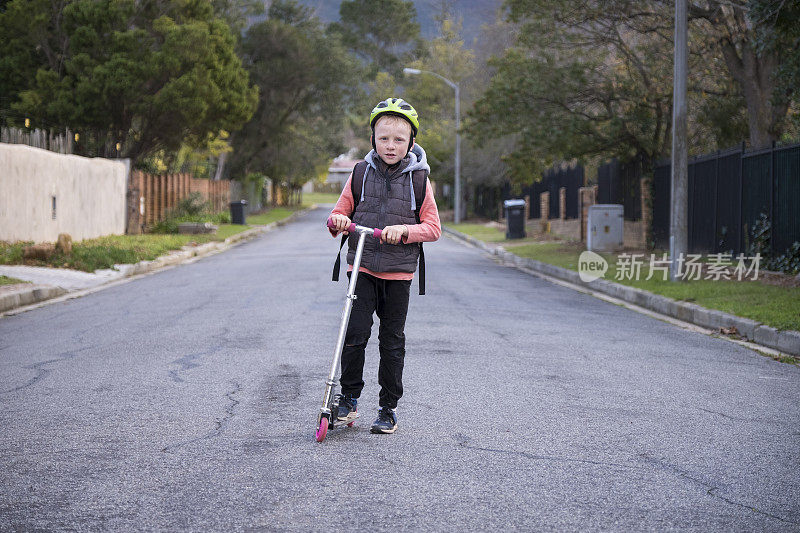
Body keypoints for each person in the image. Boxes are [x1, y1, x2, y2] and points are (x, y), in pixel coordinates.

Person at [328, 97, 441, 434]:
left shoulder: (419, 180)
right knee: (354, 336)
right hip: (361, 267)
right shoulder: (360, 173)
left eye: (399, 139)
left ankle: (388, 407)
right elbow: (340, 214)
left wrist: (405, 230)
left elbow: (433, 228)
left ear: (412, 142)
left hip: (398, 274)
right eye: (384, 138)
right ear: (373, 138)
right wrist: (336, 220)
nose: (391, 146)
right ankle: (348, 400)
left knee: (392, 341)